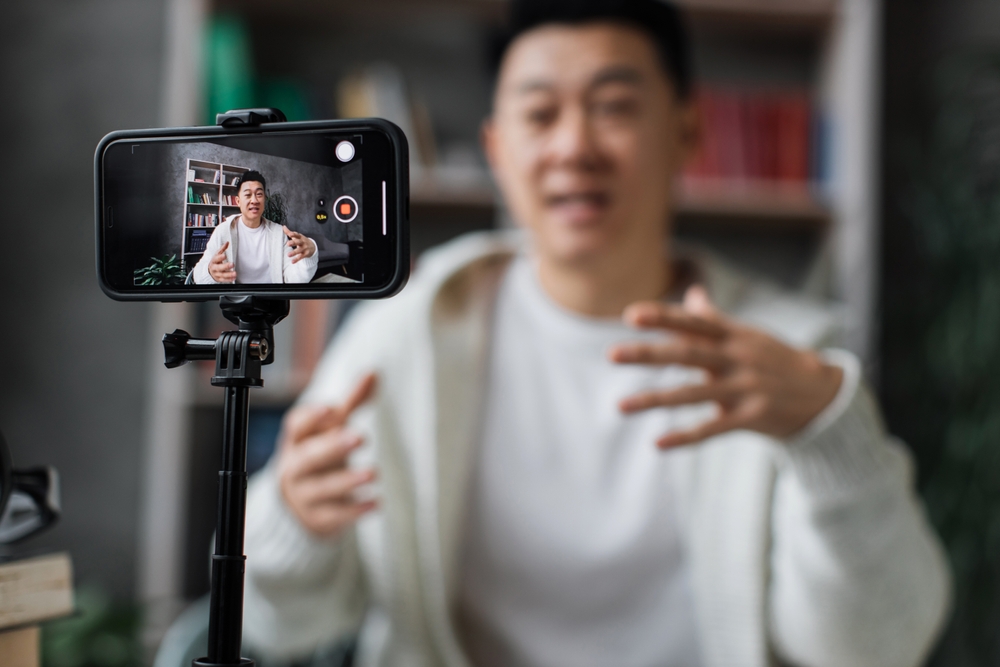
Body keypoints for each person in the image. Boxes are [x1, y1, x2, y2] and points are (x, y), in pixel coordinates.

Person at [242, 1, 952, 665]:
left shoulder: (787, 356)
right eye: (540, 113)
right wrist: (296, 524)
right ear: (497, 147)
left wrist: (828, 435)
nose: (574, 145)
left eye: (614, 106)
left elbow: (877, 646)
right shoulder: (408, 328)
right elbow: (275, 625)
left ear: (686, 131)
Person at [192, 170, 318, 284]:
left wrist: (310, 255)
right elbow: (198, 276)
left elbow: (292, 279)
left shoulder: (278, 233)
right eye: (247, 195)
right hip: (235, 302)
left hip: (271, 302)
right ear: (238, 201)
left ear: (264, 199)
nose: (254, 200)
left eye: (259, 194)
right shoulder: (223, 231)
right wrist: (210, 272)